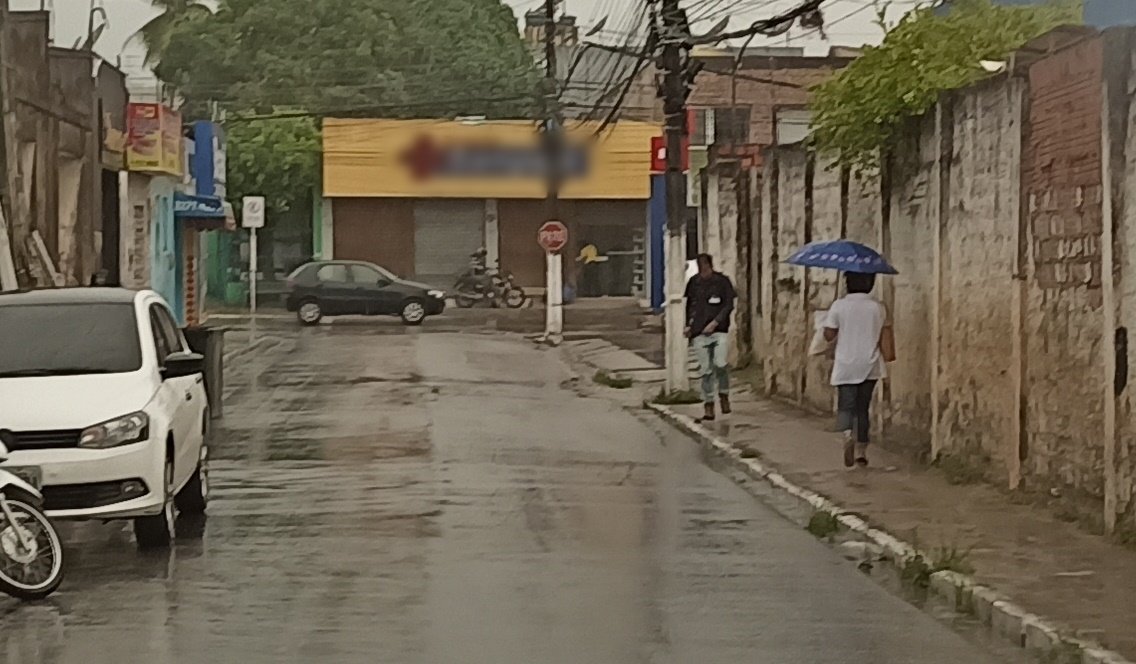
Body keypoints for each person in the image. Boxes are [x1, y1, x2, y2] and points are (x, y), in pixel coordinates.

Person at [823, 272, 890, 468]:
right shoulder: (878, 307)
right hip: (870, 363)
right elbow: (884, 333)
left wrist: (826, 323)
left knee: (846, 405)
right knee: (862, 408)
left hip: (845, 364)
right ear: (870, 283)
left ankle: (847, 435)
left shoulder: (838, 306)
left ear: (848, 283)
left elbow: (829, 335)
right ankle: (861, 450)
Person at [684, 253, 736, 422]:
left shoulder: (722, 282)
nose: (703, 271)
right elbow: (689, 305)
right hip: (699, 332)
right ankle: (708, 405)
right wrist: (688, 325)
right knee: (705, 370)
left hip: (719, 330)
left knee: (720, 363)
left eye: (705, 267)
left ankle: (724, 394)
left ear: (710, 266)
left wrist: (715, 322)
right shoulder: (694, 283)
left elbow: (729, 304)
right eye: (700, 268)